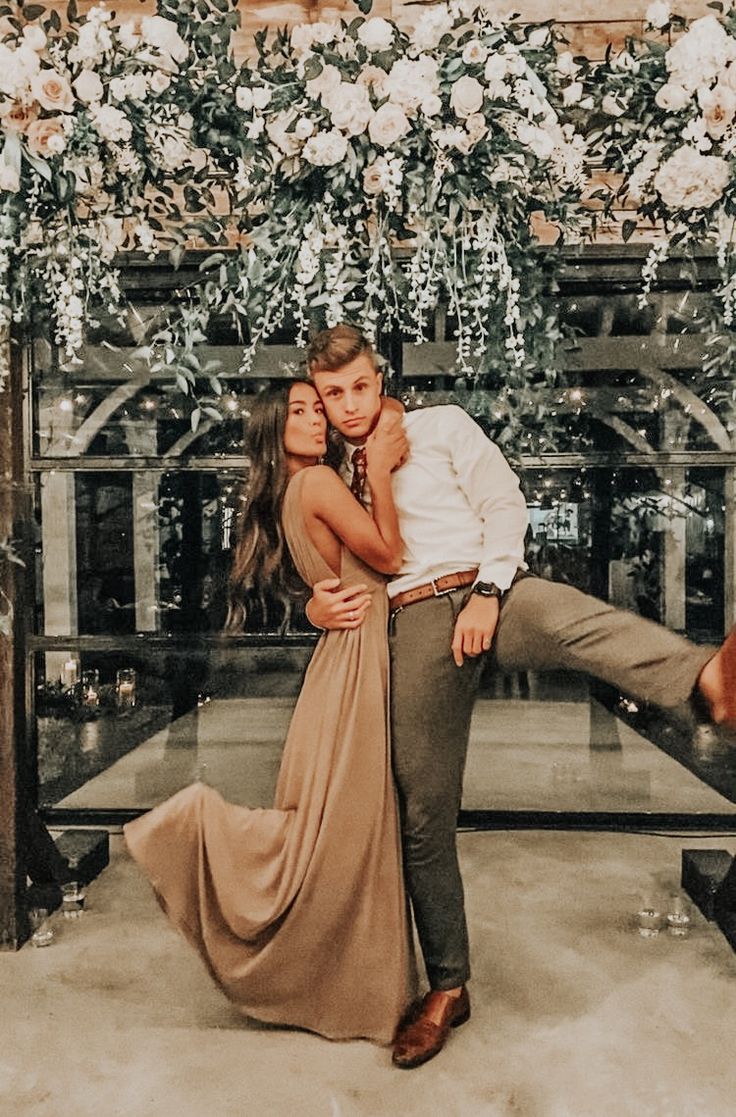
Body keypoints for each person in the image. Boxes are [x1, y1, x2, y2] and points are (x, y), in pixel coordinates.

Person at [304, 323, 736, 1070]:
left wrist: (489, 590)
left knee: (574, 621)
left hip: (486, 589)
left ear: (382, 381)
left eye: (361, 387)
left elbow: (505, 503)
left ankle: (706, 679)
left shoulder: (440, 428)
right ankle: (448, 985)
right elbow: (324, 564)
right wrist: (315, 600)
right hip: (412, 623)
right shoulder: (333, 474)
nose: (348, 404)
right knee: (423, 809)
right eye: (333, 393)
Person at [124, 379, 417, 1045]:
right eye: (302, 410)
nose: (318, 419)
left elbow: (388, 412)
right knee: (346, 831)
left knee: (335, 829)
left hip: (340, 659)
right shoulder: (315, 484)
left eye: (321, 408)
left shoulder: (294, 490)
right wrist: (379, 476)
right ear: (270, 427)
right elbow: (391, 555)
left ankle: (345, 981)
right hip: (356, 657)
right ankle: (195, 825)